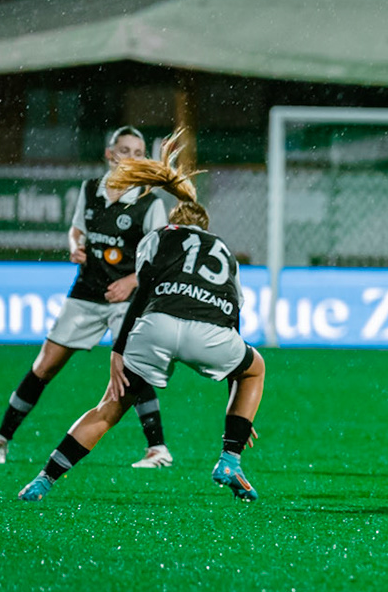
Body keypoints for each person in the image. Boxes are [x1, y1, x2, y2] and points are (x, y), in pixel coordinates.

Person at [18, 132, 264, 502]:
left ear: (172, 220)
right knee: (254, 368)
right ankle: (230, 457)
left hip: (157, 326)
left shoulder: (159, 236)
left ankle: (43, 480)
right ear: (206, 226)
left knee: (109, 408)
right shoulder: (224, 249)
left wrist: (118, 349)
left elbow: (142, 290)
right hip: (212, 332)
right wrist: (239, 415)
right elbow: (233, 311)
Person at [0, 126, 172, 468]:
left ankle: (157, 448)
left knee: (132, 367)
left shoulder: (150, 204)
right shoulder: (89, 190)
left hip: (126, 301)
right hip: (86, 292)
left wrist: (131, 281)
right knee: (45, 365)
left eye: (139, 152)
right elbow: (76, 230)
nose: (133, 157)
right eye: (126, 150)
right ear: (110, 154)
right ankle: (1, 441)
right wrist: (75, 247)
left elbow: (158, 259)